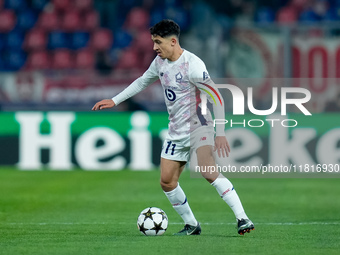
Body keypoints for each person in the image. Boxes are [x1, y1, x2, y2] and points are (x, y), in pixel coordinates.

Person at [92, 19, 254, 236]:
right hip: (176, 129)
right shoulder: (159, 62)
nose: (154, 47)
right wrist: (115, 100)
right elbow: (142, 82)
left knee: (207, 170)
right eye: (153, 42)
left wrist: (221, 133)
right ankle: (192, 225)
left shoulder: (193, 65)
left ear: (173, 41)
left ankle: (242, 218)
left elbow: (217, 97)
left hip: (200, 125)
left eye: (157, 42)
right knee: (167, 181)